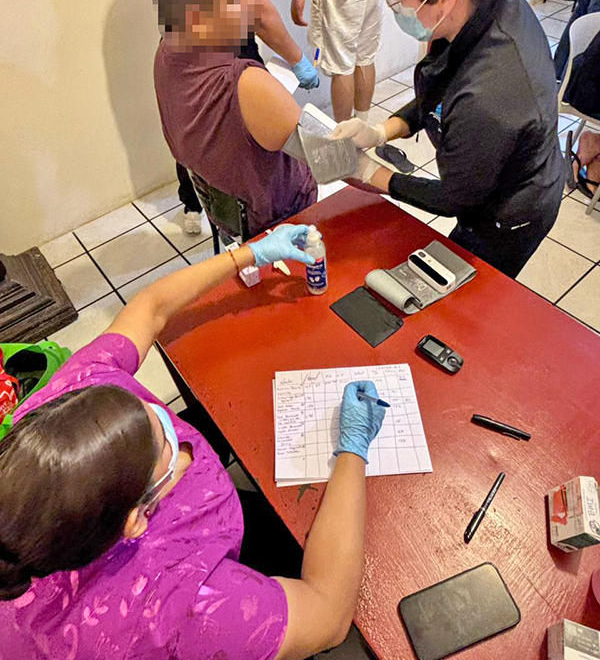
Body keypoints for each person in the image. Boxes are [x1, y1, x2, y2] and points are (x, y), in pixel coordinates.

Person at [0, 225, 386, 660]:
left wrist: (249, 254)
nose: (180, 442)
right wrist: (353, 448)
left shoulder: (72, 395)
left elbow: (150, 308)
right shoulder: (182, 610)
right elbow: (328, 617)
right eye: (167, 451)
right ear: (135, 521)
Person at [333, 0, 565, 279]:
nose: (397, 8)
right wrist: (382, 131)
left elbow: (455, 197)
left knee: (472, 288)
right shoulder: (484, 2)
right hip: (489, 163)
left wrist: (374, 175)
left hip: (512, 211)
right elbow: (441, 88)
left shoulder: (490, 95)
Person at [133, 0, 319, 233]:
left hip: (185, 60)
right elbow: (260, 12)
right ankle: (255, 224)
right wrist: (299, 61)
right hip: (228, 65)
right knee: (254, 163)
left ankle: (197, 206)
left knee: (207, 149)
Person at [152, 0, 377, 238]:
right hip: (279, 218)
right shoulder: (246, 84)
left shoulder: (165, 54)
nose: (247, 8)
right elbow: (338, 163)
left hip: (223, 209)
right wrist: (399, 180)